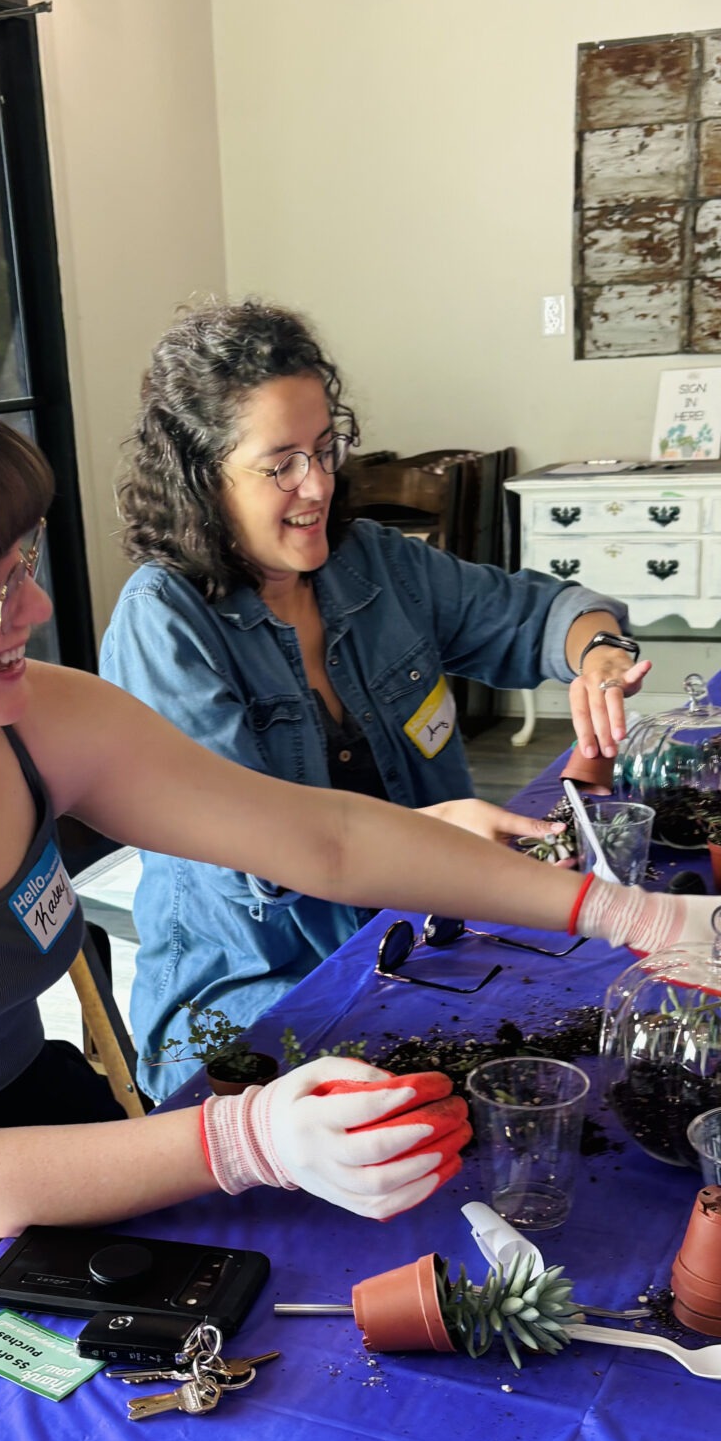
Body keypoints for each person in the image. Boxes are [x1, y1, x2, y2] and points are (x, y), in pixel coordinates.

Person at [0, 360, 721, 1415]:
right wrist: (247, 1138)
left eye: (23, 563)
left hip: (52, 1129)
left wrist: (624, 912)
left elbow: (315, 842)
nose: (36, 607)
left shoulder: (27, 714)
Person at [101, 300, 651, 1099]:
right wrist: (436, 839)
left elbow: (544, 614)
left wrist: (598, 653)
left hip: (421, 955)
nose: (318, 485)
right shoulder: (165, 625)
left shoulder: (376, 567)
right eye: (280, 463)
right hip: (249, 1012)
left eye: (327, 449)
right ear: (200, 478)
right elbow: (255, 861)